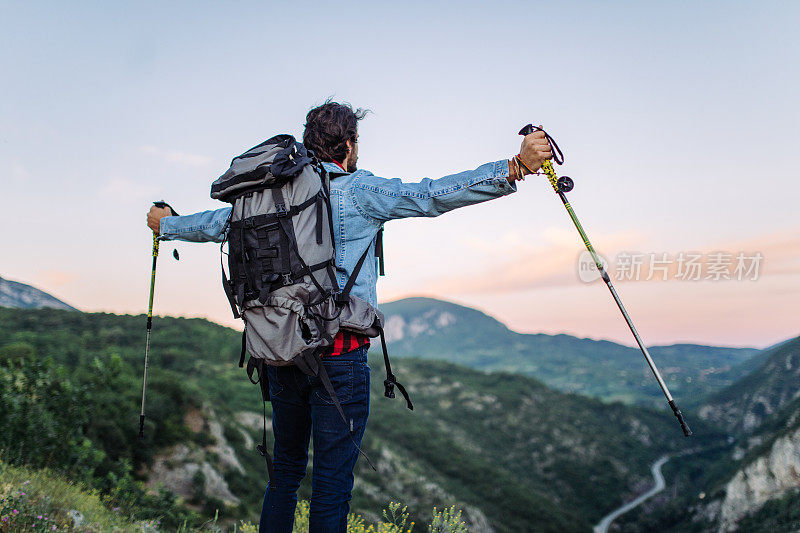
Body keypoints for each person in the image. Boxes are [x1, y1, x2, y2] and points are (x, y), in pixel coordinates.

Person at [146, 101, 552, 532]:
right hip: (339, 358)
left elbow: (215, 223)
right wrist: (514, 167)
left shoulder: (269, 198)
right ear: (349, 144)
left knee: (283, 474)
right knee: (331, 485)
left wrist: (166, 225)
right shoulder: (358, 190)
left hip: (282, 355)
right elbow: (430, 194)